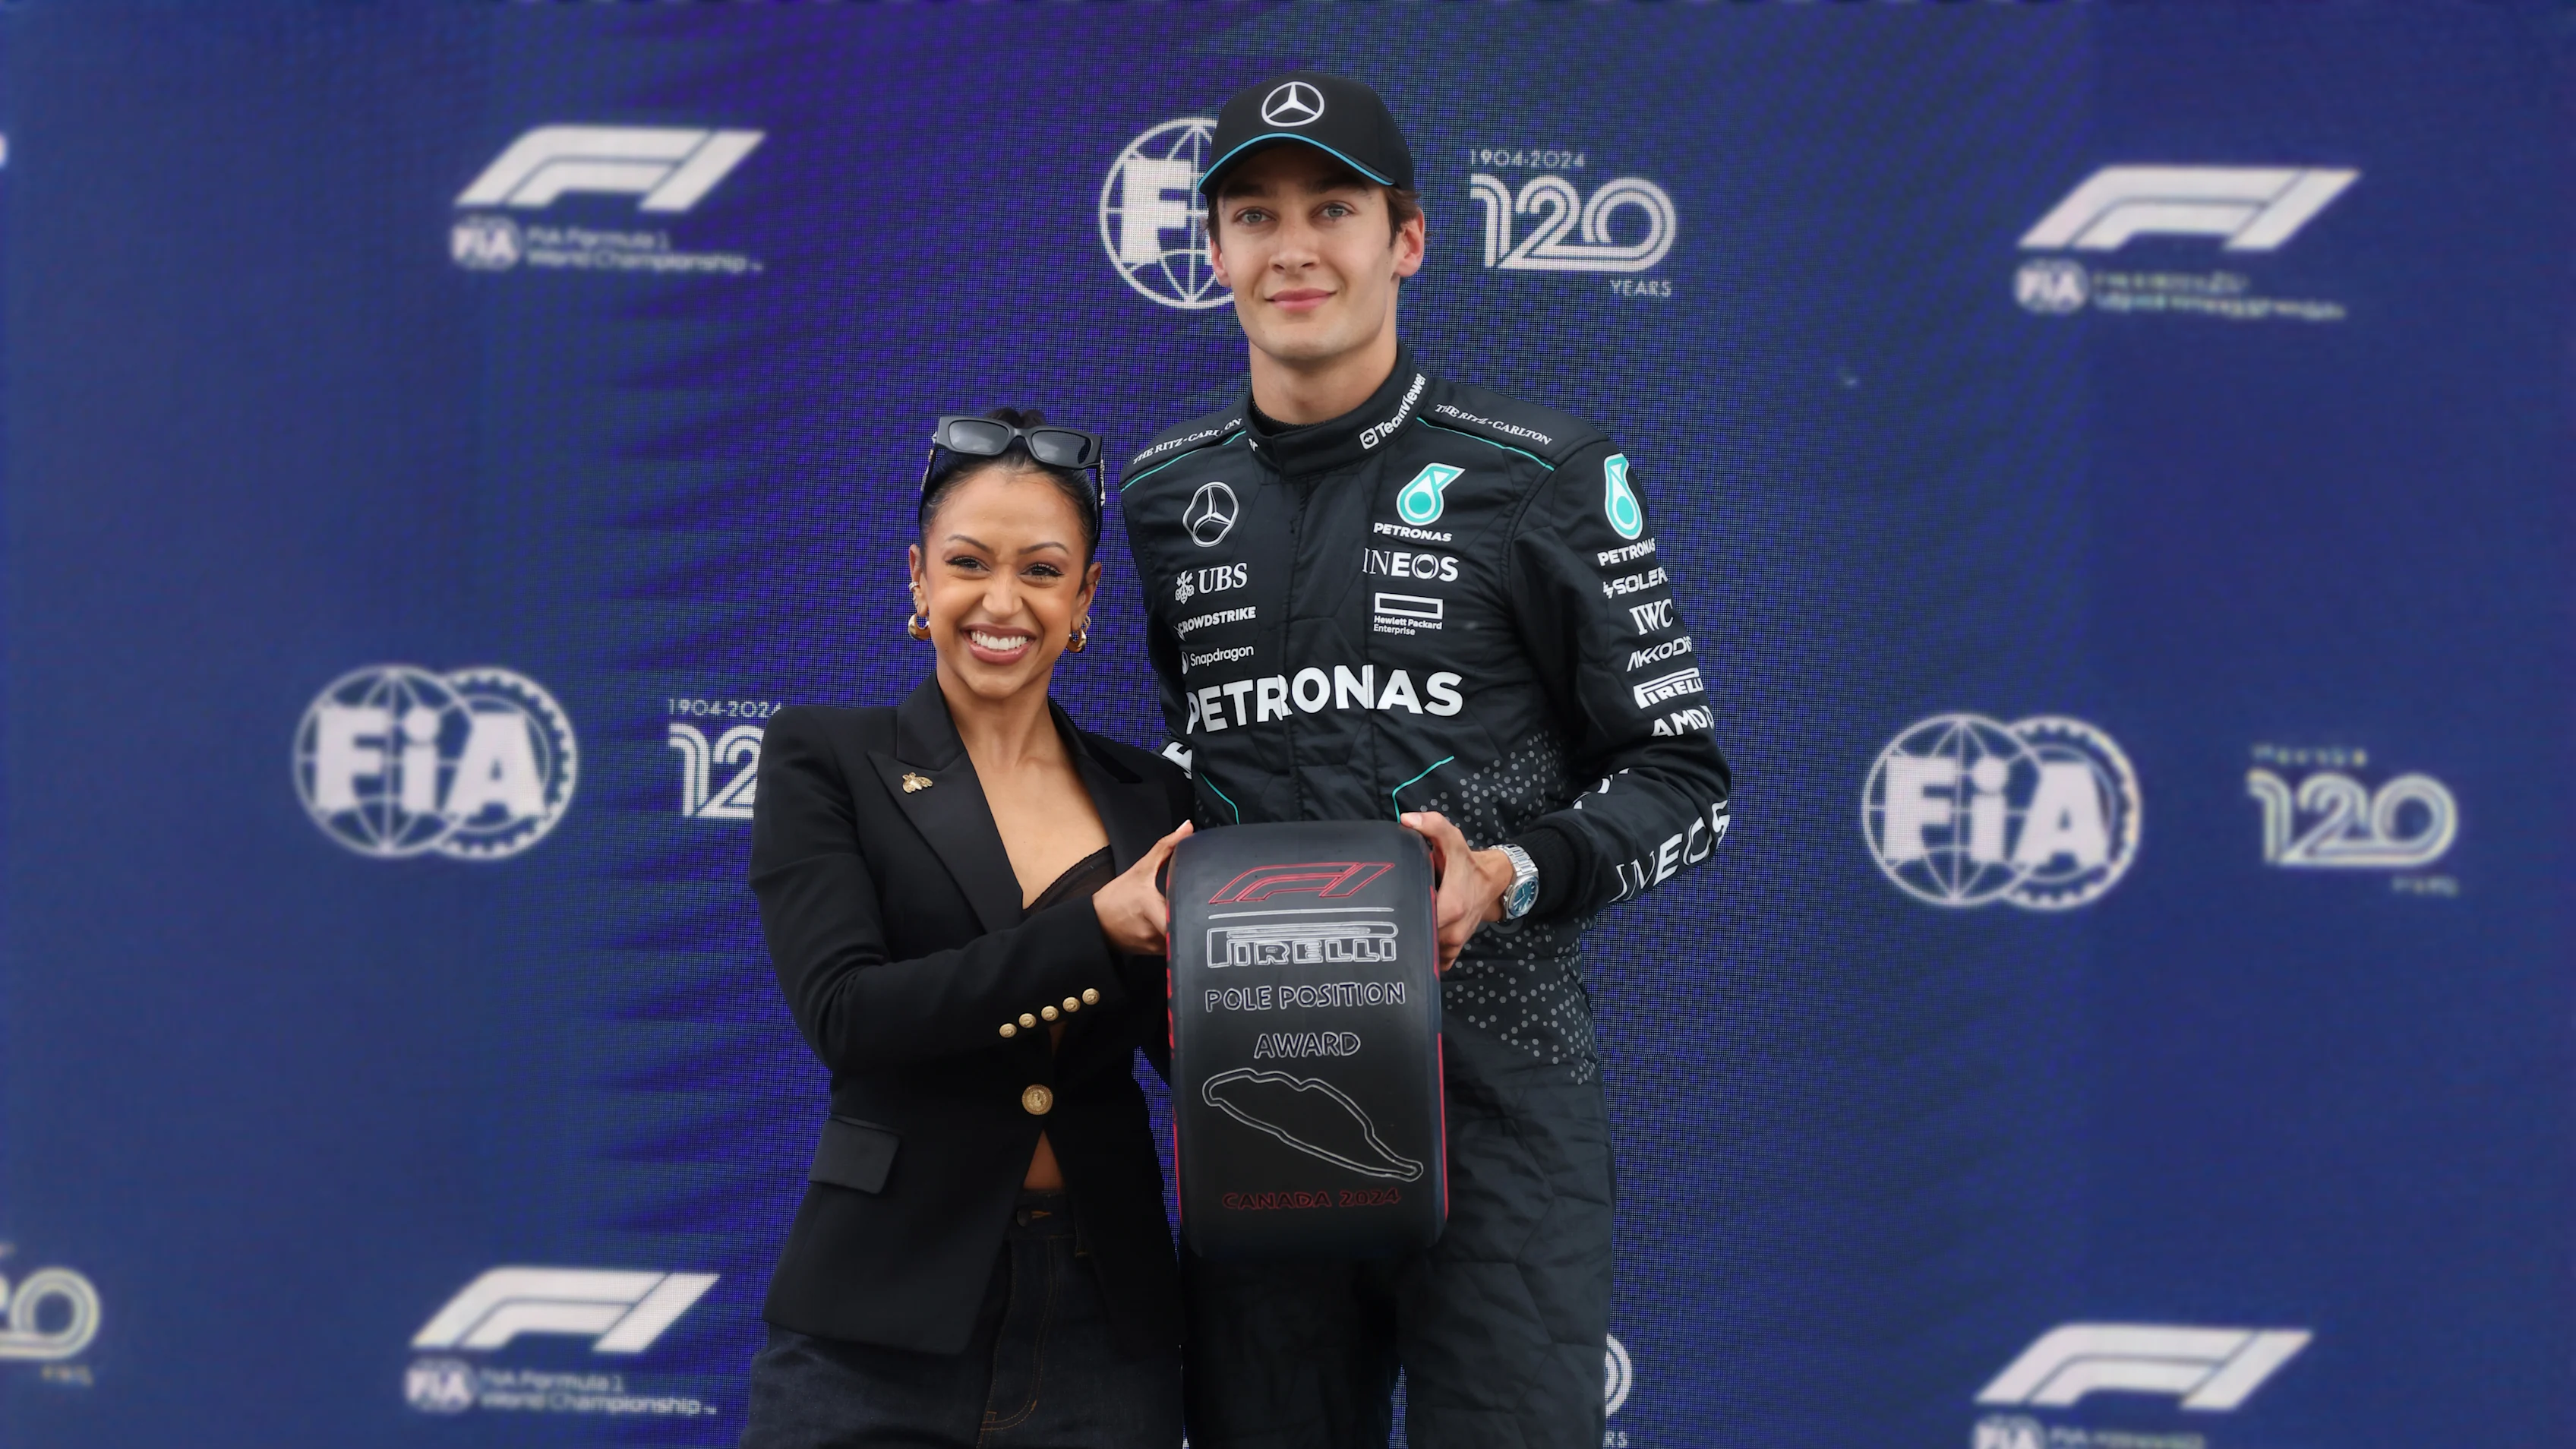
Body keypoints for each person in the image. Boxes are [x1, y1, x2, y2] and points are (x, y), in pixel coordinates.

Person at [1119, 74, 1735, 1447]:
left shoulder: (1538, 470)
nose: (1293, 249)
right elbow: (1196, 749)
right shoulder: (1165, 492)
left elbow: (1684, 778)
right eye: (1253, 214)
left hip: (1498, 1103)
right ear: (1210, 250)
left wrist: (1510, 874)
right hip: (1258, 1098)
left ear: (1405, 240)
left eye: (1332, 208)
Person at [739, 409, 1193, 1448]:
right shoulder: (826, 759)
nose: (1002, 602)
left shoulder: (1153, 797)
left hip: (1104, 1328)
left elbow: (1200, 1054)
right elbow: (850, 1016)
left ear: (1084, 599)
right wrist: (1095, 931)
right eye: (968, 563)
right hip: (876, 1320)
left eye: (1042, 570)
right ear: (918, 579)